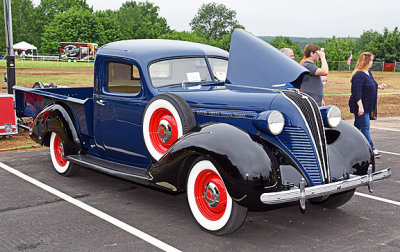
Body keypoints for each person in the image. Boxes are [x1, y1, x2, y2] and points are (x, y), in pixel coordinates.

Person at [348, 52, 386, 158]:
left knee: (357, 127)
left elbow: (370, 85)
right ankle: (371, 149)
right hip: (360, 106)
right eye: (371, 60)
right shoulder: (359, 75)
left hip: (368, 105)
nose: (372, 62)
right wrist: (360, 106)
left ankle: (350, 143)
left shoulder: (368, 73)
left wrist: (379, 86)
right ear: (366, 61)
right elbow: (357, 92)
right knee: (365, 128)